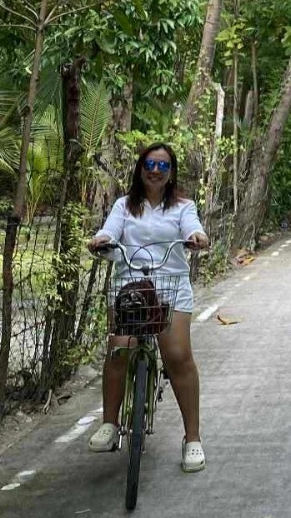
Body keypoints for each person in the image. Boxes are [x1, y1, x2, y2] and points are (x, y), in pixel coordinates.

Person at [86, 142, 210, 473]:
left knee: (179, 357)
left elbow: (193, 228)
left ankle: (193, 438)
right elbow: (110, 230)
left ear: (171, 174)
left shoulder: (183, 206)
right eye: (150, 165)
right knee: (119, 349)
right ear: (140, 169)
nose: (155, 171)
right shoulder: (124, 206)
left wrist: (198, 237)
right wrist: (101, 240)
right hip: (130, 286)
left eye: (163, 166)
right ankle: (110, 424)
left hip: (170, 287)